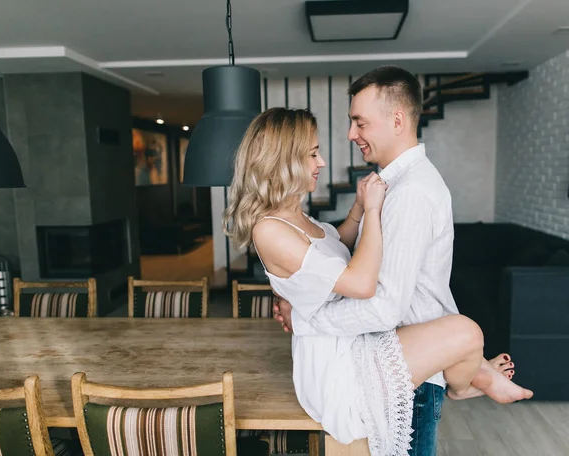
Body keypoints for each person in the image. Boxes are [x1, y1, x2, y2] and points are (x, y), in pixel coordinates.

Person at [223, 104, 532, 456]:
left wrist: (356, 210)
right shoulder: (270, 229)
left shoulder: (294, 215)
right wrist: (372, 210)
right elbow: (361, 283)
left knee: (465, 333)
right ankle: (466, 381)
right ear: (284, 160)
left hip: (348, 343)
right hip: (334, 366)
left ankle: (467, 379)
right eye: (312, 154)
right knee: (465, 332)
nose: (320, 163)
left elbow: (333, 245)